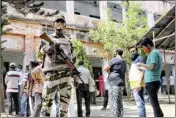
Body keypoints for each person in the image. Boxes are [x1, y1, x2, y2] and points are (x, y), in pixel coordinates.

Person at [39, 14, 75, 117]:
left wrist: (75, 76)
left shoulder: (69, 40)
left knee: (64, 105)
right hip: (51, 73)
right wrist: (46, 49)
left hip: (66, 73)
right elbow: (40, 51)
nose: (59, 24)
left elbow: (73, 58)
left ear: (65, 25)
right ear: (53, 24)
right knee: (46, 104)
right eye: (57, 22)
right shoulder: (47, 38)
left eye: (62, 22)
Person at [137, 37, 164, 117]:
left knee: (154, 104)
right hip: (153, 80)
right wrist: (143, 68)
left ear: (148, 45)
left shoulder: (154, 53)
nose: (144, 49)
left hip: (152, 81)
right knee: (154, 103)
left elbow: (152, 67)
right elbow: (151, 67)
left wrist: (141, 64)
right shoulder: (154, 53)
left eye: (144, 47)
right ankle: (160, 115)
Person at [103, 49, 126, 117]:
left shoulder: (114, 59)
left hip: (114, 83)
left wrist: (110, 72)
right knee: (119, 102)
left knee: (114, 102)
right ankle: (120, 116)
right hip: (121, 83)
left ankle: (115, 116)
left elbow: (105, 68)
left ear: (116, 53)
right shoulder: (123, 61)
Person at [129, 47, 146, 117]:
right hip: (133, 83)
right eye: (131, 52)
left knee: (140, 103)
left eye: (134, 51)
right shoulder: (133, 60)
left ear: (137, 51)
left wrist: (139, 82)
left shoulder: (140, 58)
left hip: (137, 83)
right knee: (138, 103)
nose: (132, 53)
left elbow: (142, 71)